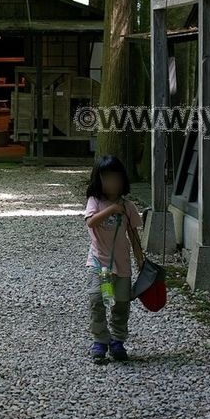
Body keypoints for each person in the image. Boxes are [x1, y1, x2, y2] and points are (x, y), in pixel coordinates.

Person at [83, 154, 144, 364]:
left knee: (121, 304)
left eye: (116, 178)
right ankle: (100, 340)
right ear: (98, 180)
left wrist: (142, 263)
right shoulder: (95, 201)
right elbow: (90, 222)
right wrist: (110, 209)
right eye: (107, 178)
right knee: (97, 300)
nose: (112, 183)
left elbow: (135, 237)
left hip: (122, 265)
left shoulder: (128, 207)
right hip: (98, 264)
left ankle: (118, 340)